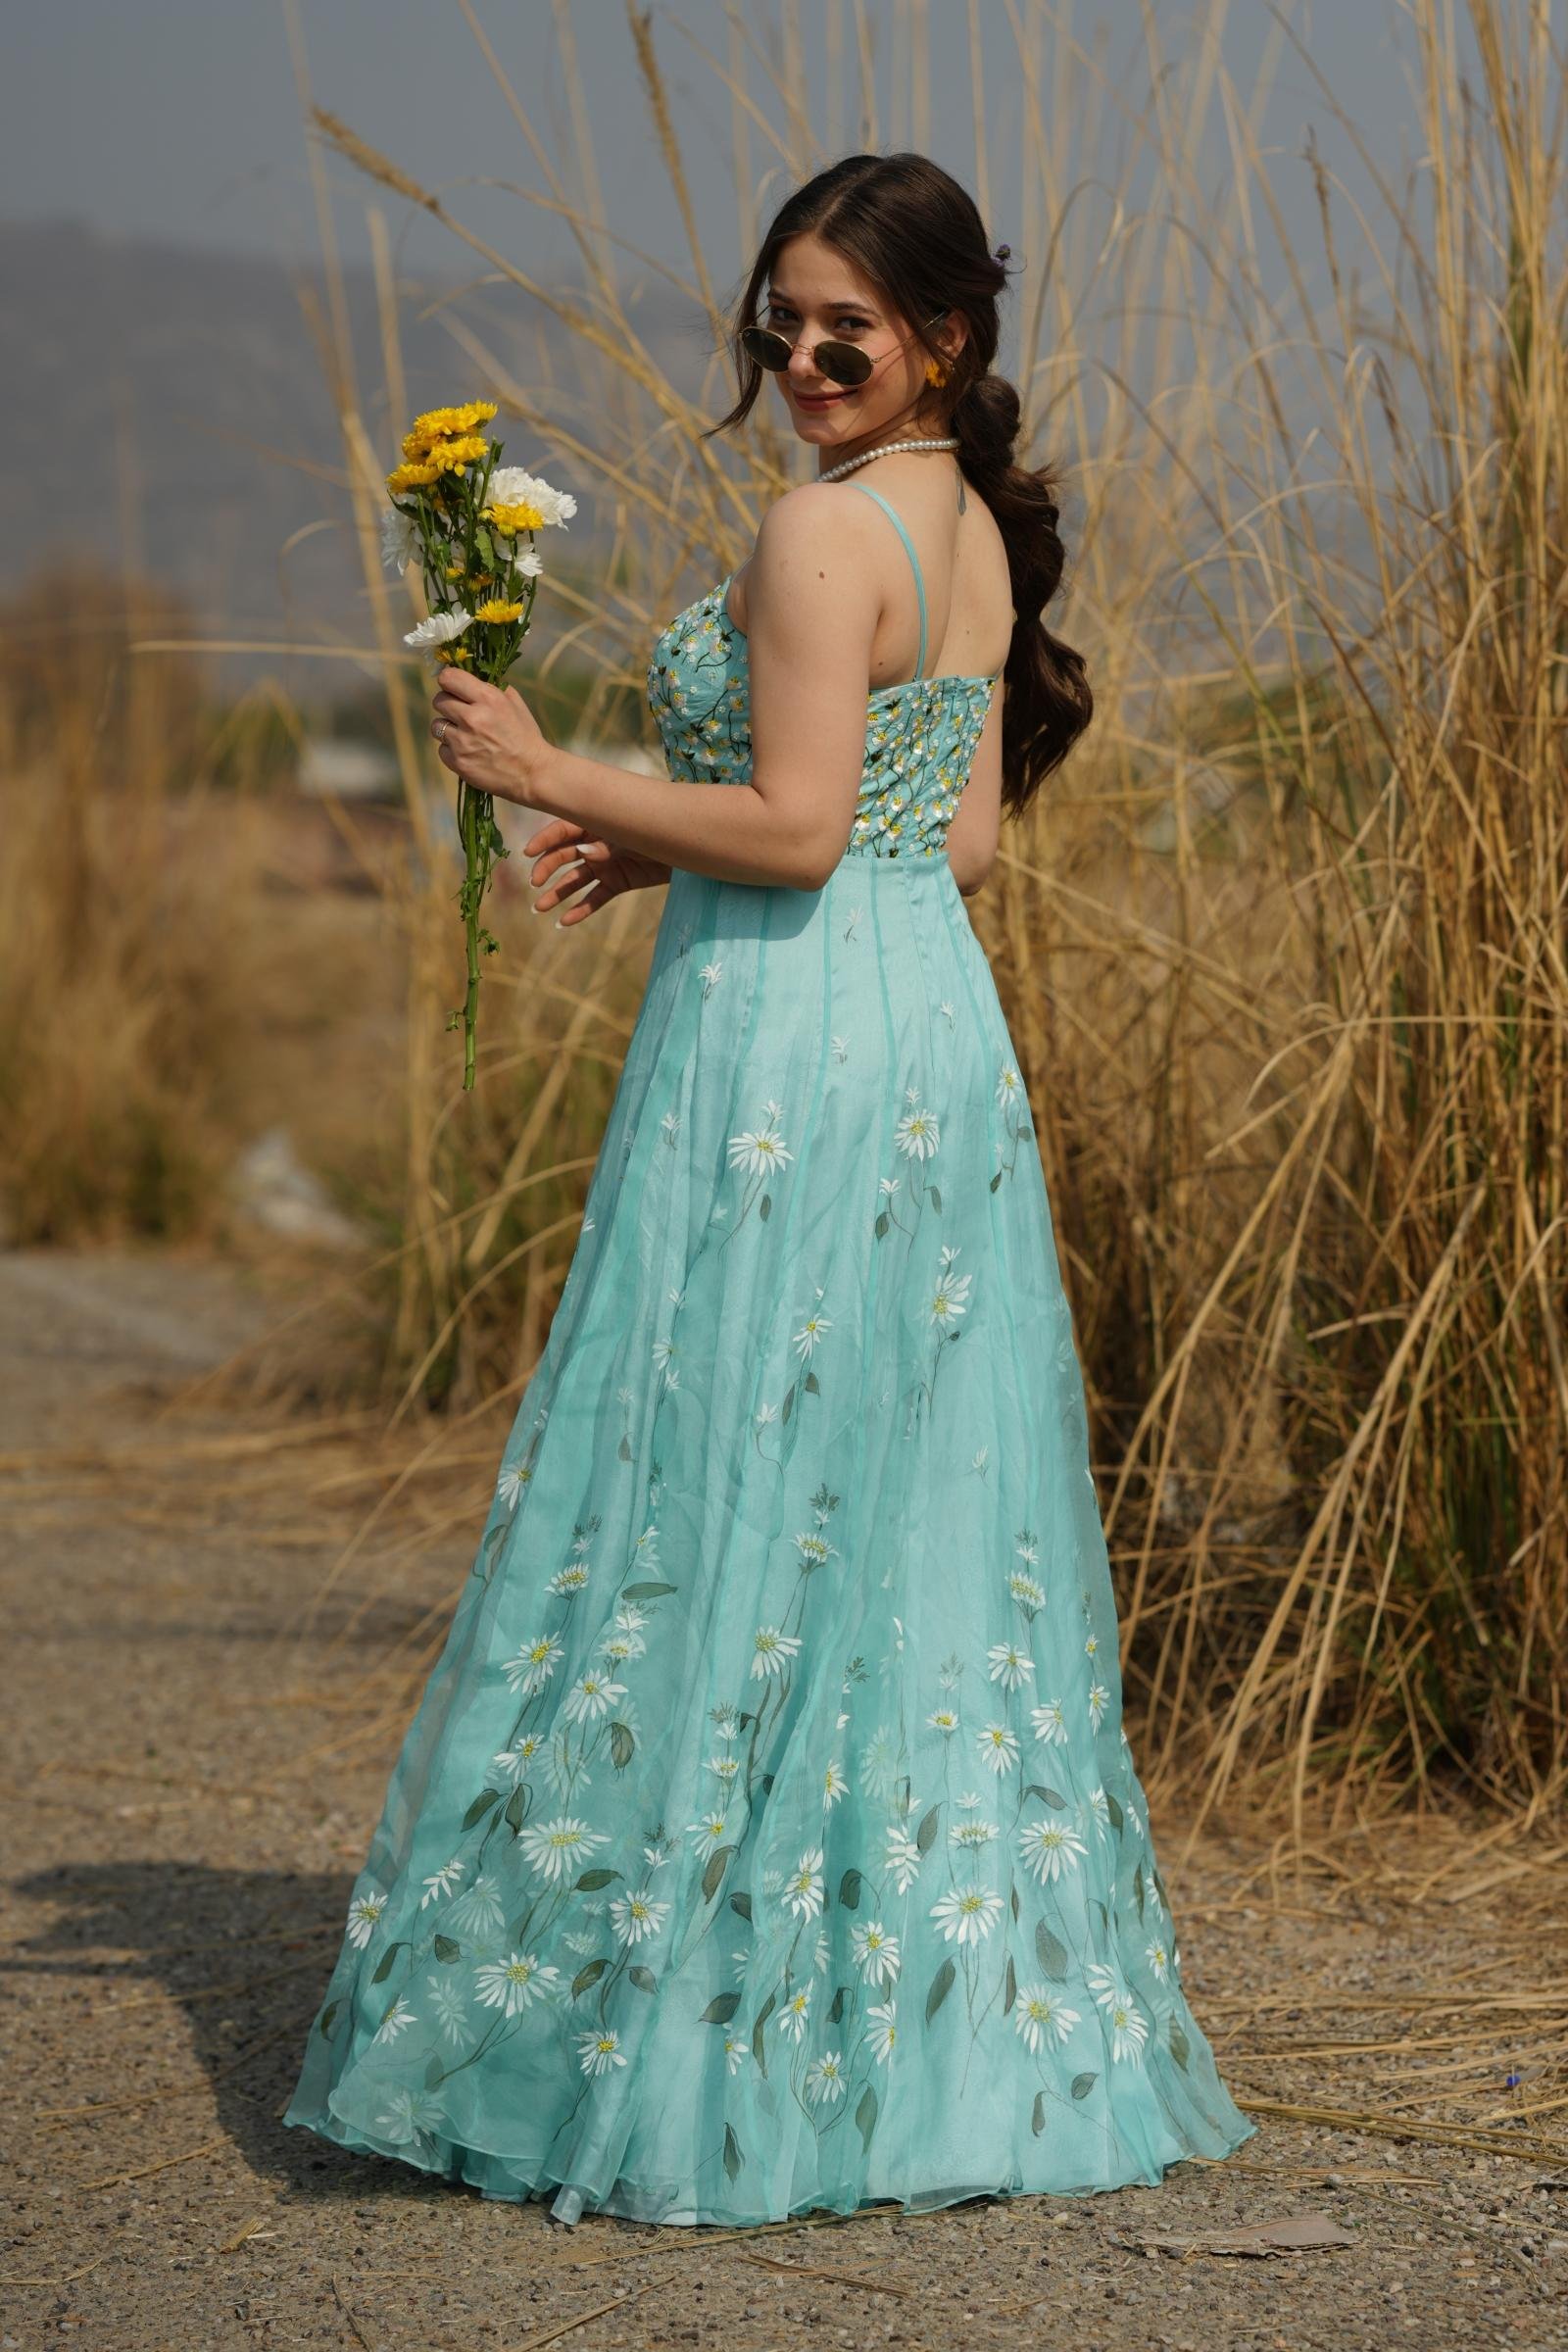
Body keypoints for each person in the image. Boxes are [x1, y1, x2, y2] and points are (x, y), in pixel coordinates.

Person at [283, 150, 1257, 2227]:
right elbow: (946, 838)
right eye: (777, 321)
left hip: (791, 1044)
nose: (802, 359)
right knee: (888, 1511)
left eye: (846, 329)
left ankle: (704, 2037)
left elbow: (807, 828)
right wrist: (662, 840)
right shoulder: (968, 531)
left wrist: (551, 775)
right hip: (924, 1024)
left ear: (943, 341)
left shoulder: (823, 531)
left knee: (727, 1481)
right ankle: (904, 2038)